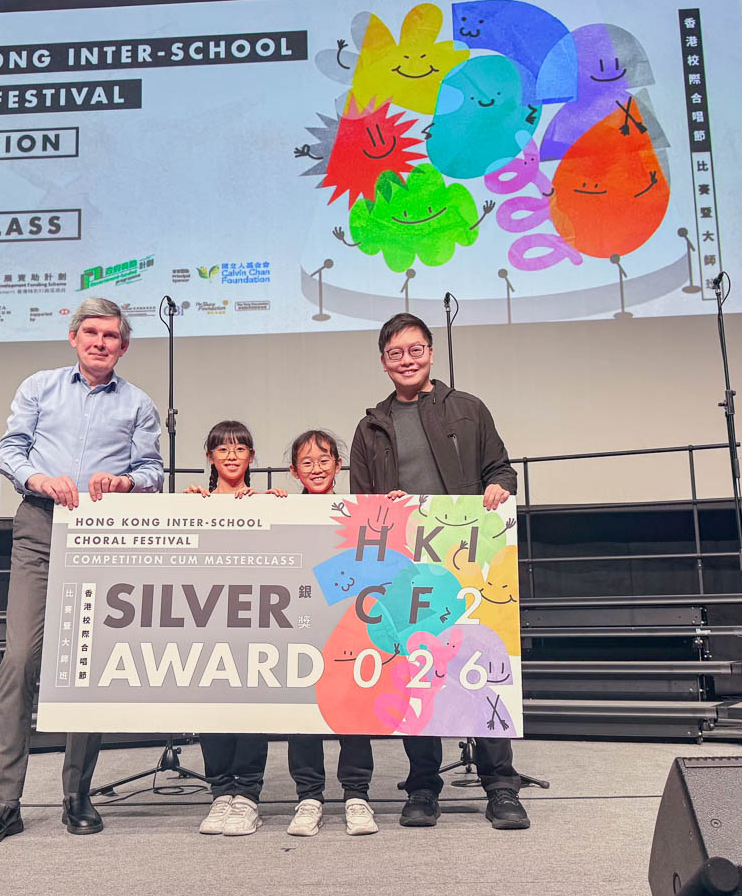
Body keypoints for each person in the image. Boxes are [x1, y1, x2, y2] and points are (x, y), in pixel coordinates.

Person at [0, 298, 163, 847]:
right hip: (41, 526)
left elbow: (152, 471)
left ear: (123, 346)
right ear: (74, 337)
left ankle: (77, 793)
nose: (100, 342)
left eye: (111, 336)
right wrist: (37, 479)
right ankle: (6, 801)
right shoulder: (39, 387)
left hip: (104, 534)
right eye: (91, 333)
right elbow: (10, 450)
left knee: (87, 665)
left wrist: (126, 483)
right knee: (20, 660)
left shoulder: (139, 403)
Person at [348, 312, 530, 831]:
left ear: (430, 352)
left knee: (482, 665)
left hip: (469, 560)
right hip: (409, 568)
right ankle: (423, 786)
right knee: (416, 671)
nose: (406, 360)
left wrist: (498, 487)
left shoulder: (468, 409)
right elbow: (363, 503)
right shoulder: (370, 427)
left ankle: (501, 786)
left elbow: (500, 467)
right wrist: (385, 508)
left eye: (415, 350)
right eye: (395, 353)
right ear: (383, 362)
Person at [281, 430, 378, 837]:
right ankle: (309, 797)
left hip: (349, 629)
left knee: (353, 712)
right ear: (294, 471)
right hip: (300, 627)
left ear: (339, 465)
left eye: (324, 460)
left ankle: (357, 796)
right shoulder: (283, 512)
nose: (316, 468)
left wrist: (393, 507)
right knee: (302, 715)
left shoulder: (360, 511)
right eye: (307, 462)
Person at [185, 420, 274, 836]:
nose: (232, 456)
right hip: (207, 619)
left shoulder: (267, 502)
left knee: (252, 702)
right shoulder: (195, 503)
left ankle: (248, 795)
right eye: (222, 449)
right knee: (213, 702)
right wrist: (183, 509)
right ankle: (221, 791)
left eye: (240, 449)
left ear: (252, 457)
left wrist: (278, 505)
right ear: (210, 457)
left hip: (256, 620)